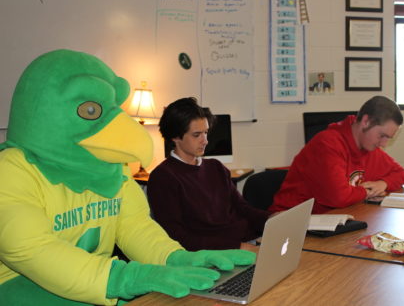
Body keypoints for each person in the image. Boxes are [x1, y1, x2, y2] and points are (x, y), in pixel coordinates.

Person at [0, 49, 255, 305]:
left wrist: (175, 258)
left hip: (95, 281)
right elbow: (31, 249)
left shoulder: (112, 166)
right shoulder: (12, 170)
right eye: (90, 110)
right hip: (21, 283)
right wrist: (124, 278)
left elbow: (134, 226)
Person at [147, 97, 271, 251]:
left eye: (205, 133)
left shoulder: (215, 167)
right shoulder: (163, 178)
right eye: (197, 135)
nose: (205, 141)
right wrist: (237, 247)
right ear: (175, 137)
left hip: (249, 240)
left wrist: (271, 219)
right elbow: (178, 237)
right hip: (222, 252)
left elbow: (242, 208)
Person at [269, 95, 404, 214]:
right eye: (382, 136)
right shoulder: (327, 144)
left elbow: (400, 174)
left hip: (333, 220)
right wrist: (366, 192)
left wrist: (383, 183)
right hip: (293, 223)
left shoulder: (368, 147)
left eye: (388, 138)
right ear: (366, 121)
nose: (383, 144)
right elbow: (339, 197)